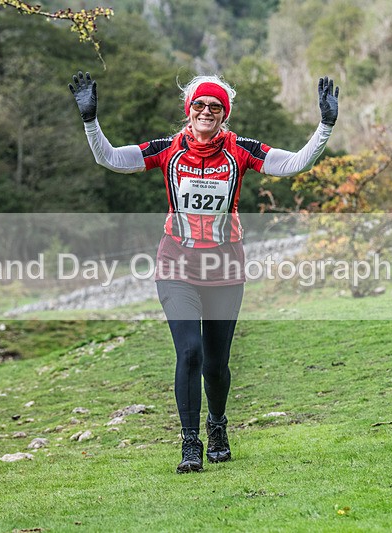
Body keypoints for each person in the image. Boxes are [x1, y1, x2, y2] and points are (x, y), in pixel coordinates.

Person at [69, 70, 338, 472]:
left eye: (215, 107)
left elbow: (294, 164)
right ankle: (190, 442)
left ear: (223, 114)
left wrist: (325, 127)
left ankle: (217, 425)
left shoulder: (240, 150)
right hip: (175, 263)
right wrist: (91, 121)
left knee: (216, 364)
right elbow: (108, 158)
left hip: (225, 267)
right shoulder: (167, 149)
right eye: (199, 105)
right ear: (188, 110)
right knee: (189, 353)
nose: (206, 111)